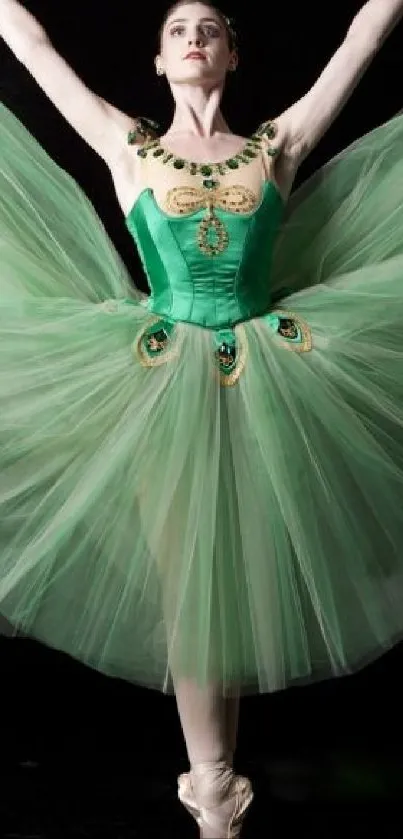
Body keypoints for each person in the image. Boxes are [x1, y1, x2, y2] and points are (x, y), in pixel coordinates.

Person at [2, 0, 403, 835]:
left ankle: (217, 780)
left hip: (270, 371)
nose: (193, 37)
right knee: (193, 581)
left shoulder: (276, 145)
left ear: (229, 57)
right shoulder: (129, 145)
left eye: (210, 29)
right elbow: (31, 42)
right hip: (156, 377)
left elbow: (361, 37)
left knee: (236, 573)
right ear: (157, 61)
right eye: (178, 30)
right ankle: (211, 786)